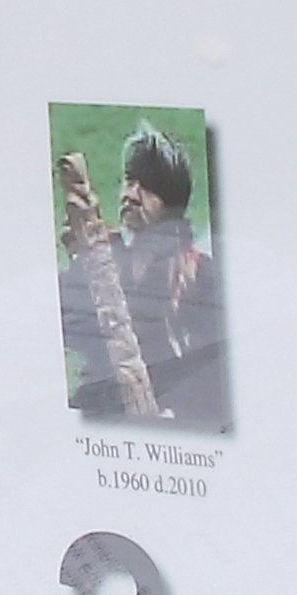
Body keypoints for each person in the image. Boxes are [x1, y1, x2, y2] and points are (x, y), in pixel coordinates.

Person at [57, 126, 227, 431]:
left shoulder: (200, 275)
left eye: (147, 187)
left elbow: (217, 374)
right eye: (129, 181)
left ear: (171, 205)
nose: (131, 194)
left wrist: (177, 416)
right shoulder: (102, 258)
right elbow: (65, 330)